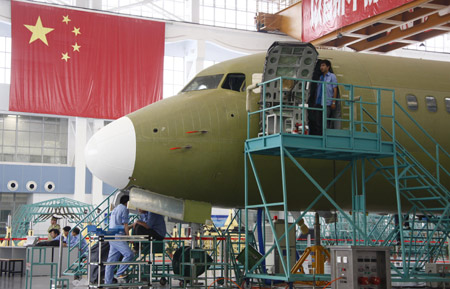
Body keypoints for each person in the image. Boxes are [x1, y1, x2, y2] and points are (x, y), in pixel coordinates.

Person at [105, 195, 134, 284]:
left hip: (111, 235)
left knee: (111, 262)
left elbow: (119, 224)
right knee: (129, 254)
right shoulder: (125, 209)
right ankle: (120, 273)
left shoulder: (115, 209)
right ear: (127, 202)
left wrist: (131, 226)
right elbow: (125, 225)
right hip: (118, 236)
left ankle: (108, 283)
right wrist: (128, 237)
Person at [314, 59, 337, 135]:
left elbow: (335, 89)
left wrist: (333, 102)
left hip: (327, 102)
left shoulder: (332, 76)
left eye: (323, 65)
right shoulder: (321, 77)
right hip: (319, 102)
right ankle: (320, 134)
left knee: (325, 120)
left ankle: (326, 135)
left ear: (328, 67)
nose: (321, 67)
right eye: (321, 65)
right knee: (318, 120)